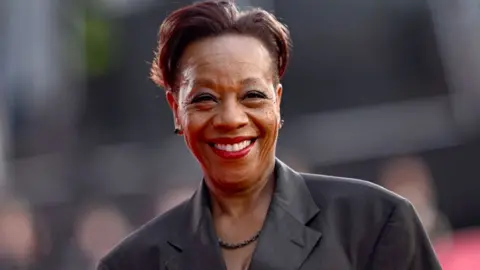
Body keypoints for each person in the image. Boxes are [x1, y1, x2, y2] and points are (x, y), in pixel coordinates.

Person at [97, 1, 441, 269]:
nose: (231, 118)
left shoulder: (374, 225)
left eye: (252, 96)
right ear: (176, 110)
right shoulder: (133, 263)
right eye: (205, 99)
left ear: (277, 103)